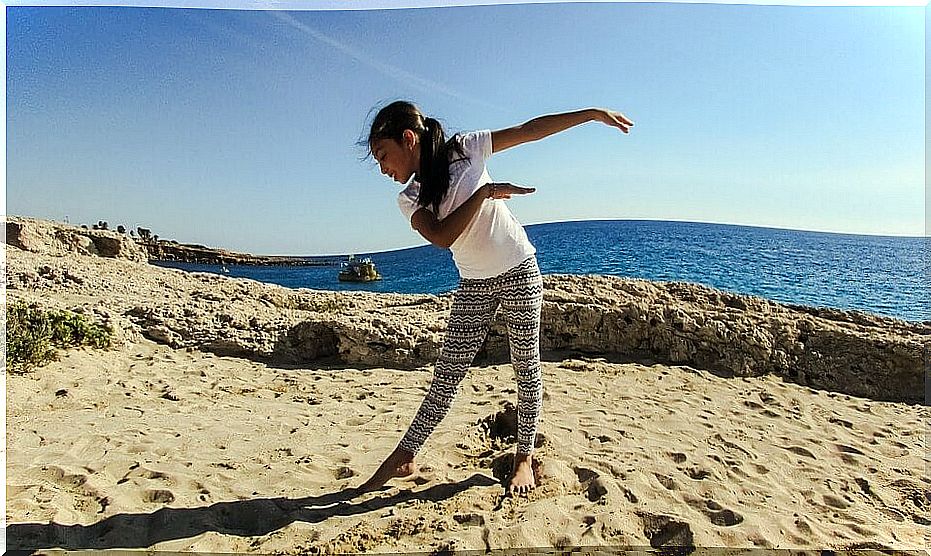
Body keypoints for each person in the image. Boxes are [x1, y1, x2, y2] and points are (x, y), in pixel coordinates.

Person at [359, 100, 632, 495]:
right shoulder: (411, 197)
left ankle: (523, 457)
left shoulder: (466, 149)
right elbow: (442, 236)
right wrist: (484, 192)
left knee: (526, 368)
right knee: (446, 377)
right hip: (474, 284)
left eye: (384, 155)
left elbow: (530, 128)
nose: (384, 168)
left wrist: (588, 115)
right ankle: (405, 453)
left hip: (520, 269)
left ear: (408, 139)